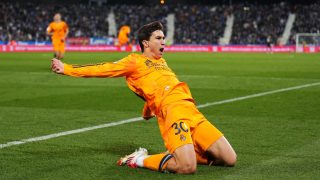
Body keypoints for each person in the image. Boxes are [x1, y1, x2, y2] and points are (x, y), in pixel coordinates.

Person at [51, 21, 236, 174]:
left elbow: (154, 89)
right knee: (187, 167)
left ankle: (177, 151)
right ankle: (138, 159)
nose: (163, 41)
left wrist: (148, 109)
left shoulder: (161, 61)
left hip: (192, 111)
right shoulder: (134, 61)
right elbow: (103, 68)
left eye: (163, 38)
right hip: (173, 112)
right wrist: (67, 68)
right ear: (146, 43)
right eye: (158, 38)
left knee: (229, 159)